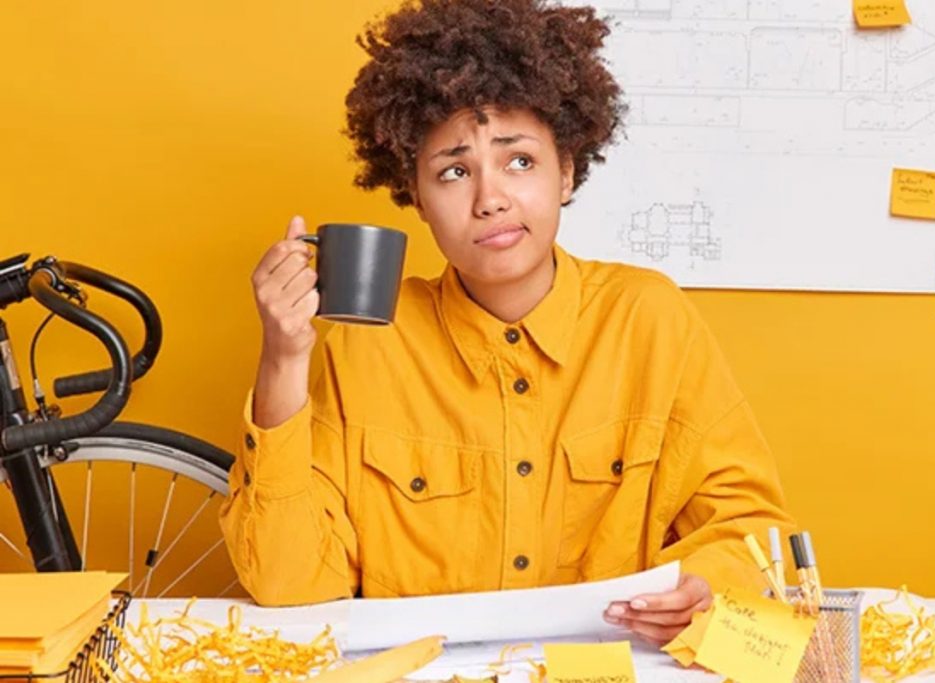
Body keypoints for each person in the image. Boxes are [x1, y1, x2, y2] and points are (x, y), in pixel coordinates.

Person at [220, 0, 794, 646]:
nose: (490, 197)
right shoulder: (366, 342)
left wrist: (709, 586)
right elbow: (289, 585)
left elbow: (750, 530)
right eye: (454, 171)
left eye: (519, 160)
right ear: (416, 196)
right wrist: (283, 358)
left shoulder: (650, 319)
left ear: (567, 171)